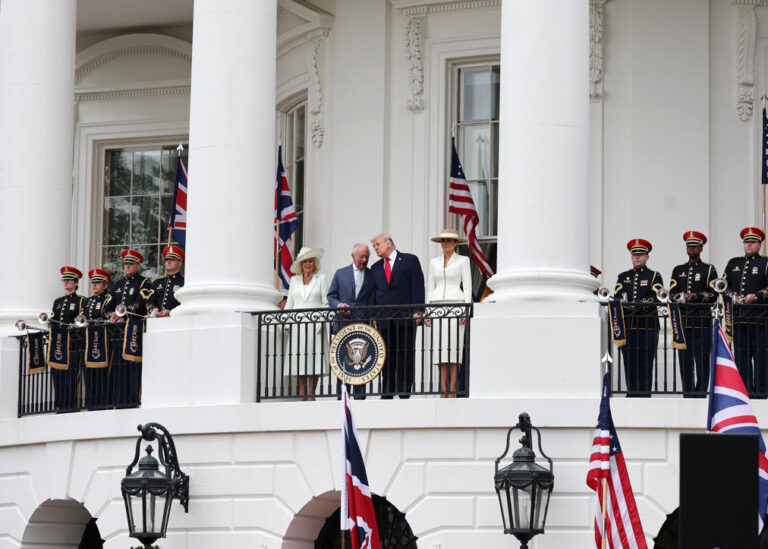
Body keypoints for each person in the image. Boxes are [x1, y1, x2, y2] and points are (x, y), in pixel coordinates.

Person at [370, 233, 425, 399]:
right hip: (384, 320)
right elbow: (374, 294)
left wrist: (418, 310)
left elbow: (417, 285)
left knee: (405, 354)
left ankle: (404, 391)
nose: (376, 248)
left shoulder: (409, 260)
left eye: (377, 244)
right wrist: (374, 315)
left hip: (405, 317)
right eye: (374, 246)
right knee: (386, 356)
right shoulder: (376, 267)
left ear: (388, 243)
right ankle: (387, 391)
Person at [669, 231, 717, 397]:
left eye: (695, 246)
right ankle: (688, 393)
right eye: (689, 246)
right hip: (683, 323)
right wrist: (680, 297)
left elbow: (714, 294)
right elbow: (672, 292)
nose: (691, 249)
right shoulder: (678, 270)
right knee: (685, 361)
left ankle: (701, 393)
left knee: (703, 360)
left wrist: (695, 296)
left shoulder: (708, 269)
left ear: (701, 248)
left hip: (702, 322)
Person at [425, 229, 471, 398]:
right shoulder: (433, 262)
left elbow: (467, 287)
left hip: (456, 305)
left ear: (455, 243)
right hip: (437, 306)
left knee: (454, 349)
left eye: (449, 241)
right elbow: (430, 287)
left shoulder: (463, 261)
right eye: (443, 240)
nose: (446, 243)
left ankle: (453, 386)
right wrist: (427, 312)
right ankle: (443, 387)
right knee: (440, 349)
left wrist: (466, 310)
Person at [614, 239, 663, 396]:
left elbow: (657, 296)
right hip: (628, 327)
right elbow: (617, 296)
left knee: (646, 363)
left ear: (647, 257)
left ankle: (644, 395)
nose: (637, 257)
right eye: (634, 254)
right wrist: (624, 303)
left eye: (640, 254)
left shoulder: (654, 275)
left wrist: (640, 304)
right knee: (629, 363)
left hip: (647, 326)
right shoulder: (623, 276)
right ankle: (631, 393)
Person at [724, 227, 768, 396]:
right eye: (746, 242)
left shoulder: (765, 263)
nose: (749, 245)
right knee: (741, 358)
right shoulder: (733, 263)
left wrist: (756, 296)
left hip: (760, 320)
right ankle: (745, 394)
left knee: (761, 359)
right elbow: (724, 286)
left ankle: (762, 394)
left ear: (759, 244)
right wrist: (732, 296)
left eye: (753, 242)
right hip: (739, 319)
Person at [327, 243, 374, 399]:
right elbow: (331, 296)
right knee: (344, 361)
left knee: (362, 362)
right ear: (353, 256)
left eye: (367, 256)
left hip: (363, 325)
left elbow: (374, 300)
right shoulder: (340, 274)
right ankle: (343, 396)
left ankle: (360, 397)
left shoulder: (371, 275)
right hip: (343, 324)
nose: (365, 259)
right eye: (362, 256)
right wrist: (339, 305)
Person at [105, 249, 149, 407]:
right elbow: (107, 306)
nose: (127, 266)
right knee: (117, 368)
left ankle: (131, 400)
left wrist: (124, 313)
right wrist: (112, 315)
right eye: (125, 264)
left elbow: (140, 302)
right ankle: (118, 400)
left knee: (132, 368)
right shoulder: (117, 284)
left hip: (133, 333)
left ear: (138, 265)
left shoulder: (143, 282)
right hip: (117, 333)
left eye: (130, 264)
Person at [285, 247, 329, 401]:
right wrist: (286, 323)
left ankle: (312, 394)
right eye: (305, 261)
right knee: (300, 359)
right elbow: (289, 304)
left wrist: (322, 320)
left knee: (315, 358)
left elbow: (326, 303)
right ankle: (302, 394)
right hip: (297, 326)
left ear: (314, 263)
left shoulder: (321, 279)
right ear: (301, 264)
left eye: (311, 261)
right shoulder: (294, 280)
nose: (308, 264)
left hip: (315, 326)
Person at [49, 266, 85, 411]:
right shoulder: (57, 302)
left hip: (73, 345)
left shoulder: (81, 300)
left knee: (71, 379)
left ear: (76, 283)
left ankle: (70, 407)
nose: (66, 282)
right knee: (58, 378)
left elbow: (82, 319)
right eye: (64, 280)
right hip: (58, 346)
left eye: (69, 280)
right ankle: (60, 405)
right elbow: (53, 319)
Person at [82, 268, 112, 409]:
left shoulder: (108, 299)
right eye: (93, 282)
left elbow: (107, 315)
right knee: (89, 375)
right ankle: (90, 403)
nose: (94, 285)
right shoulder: (87, 301)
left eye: (98, 282)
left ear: (105, 285)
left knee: (101, 374)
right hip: (89, 341)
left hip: (102, 341)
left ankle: (101, 403)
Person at [145, 246, 185, 317]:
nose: (168, 261)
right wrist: (153, 310)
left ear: (179, 263)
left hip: (176, 321)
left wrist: (171, 312)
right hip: (156, 321)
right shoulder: (157, 283)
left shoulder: (184, 283)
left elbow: (186, 304)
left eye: (172, 259)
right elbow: (148, 302)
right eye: (166, 259)